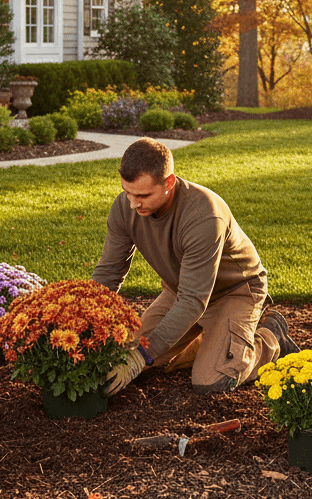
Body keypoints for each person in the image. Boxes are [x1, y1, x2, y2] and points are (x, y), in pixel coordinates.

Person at [91, 137, 298, 396]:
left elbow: (193, 301)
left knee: (211, 380)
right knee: (127, 356)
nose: (133, 203)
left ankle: (270, 338)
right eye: (127, 192)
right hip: (182, 291)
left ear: (169, 182)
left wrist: (143, 355)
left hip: (235, 292)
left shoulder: (203, 216)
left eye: (143, 195)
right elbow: (109, 271)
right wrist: (83, 319)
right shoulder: (125, 208)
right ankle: (216, 342)